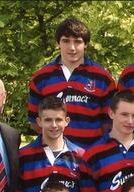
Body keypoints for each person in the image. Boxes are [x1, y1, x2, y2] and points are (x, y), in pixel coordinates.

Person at [27, 17, 116, 148]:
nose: (72, 47)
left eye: (78, 41)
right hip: (53, 155)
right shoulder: (41, 77)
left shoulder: (102, 77)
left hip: (91, 155)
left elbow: (110, 121)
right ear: (58, 43)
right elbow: (35, 121)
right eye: (66, 41)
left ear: (86, 44)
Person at [17, 96, 86, 192]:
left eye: (58, 120)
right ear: (39, 121)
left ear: (66, 121)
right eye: (48, 120)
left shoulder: (81, 157)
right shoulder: (23, 156)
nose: (54, 125)